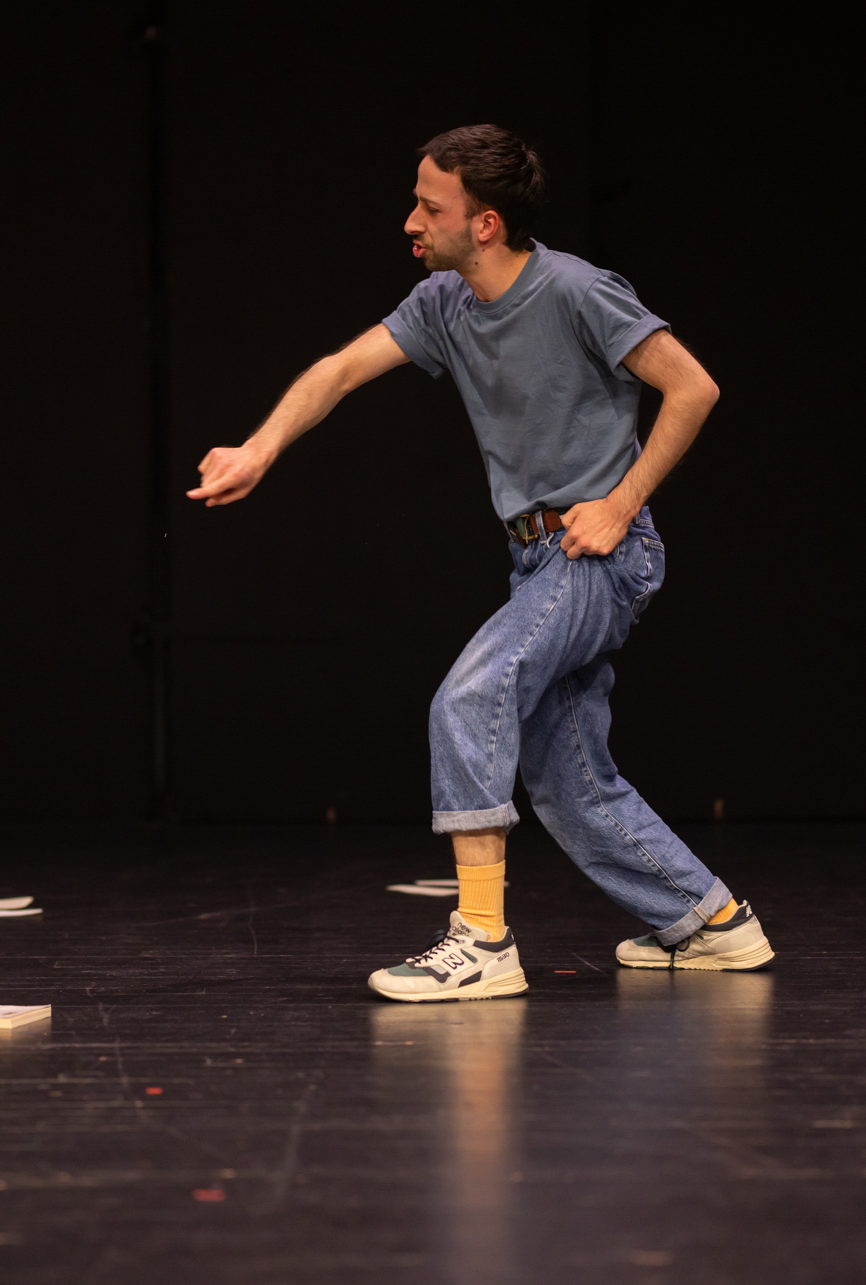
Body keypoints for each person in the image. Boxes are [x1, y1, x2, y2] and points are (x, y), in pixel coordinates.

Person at [189, 124, 773, 1001]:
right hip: (538, 560)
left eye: (430, 207)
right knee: (567, 778)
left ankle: (483, 940)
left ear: (486, 223)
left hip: (599, 554)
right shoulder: (444, 303)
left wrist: (620, 504)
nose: (411, 222)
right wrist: (260, 448)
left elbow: (693, 386)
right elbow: (339, 370)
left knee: (471, 695)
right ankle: (710, 920)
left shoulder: (577, 290)